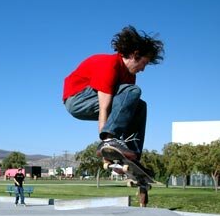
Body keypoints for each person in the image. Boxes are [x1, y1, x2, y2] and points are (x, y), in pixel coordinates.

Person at [62, 25, 164, 163]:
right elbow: (105, 108)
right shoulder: (110, 64)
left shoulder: (129, 77)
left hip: (95, 101)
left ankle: (131, 154)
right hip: (77, 99)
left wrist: (114, 158)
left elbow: (123, 113)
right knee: (133, 91)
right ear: (135, 55)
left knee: (139, 106)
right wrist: (106, 144)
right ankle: (110, 141)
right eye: (144, 63)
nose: (143, 69)